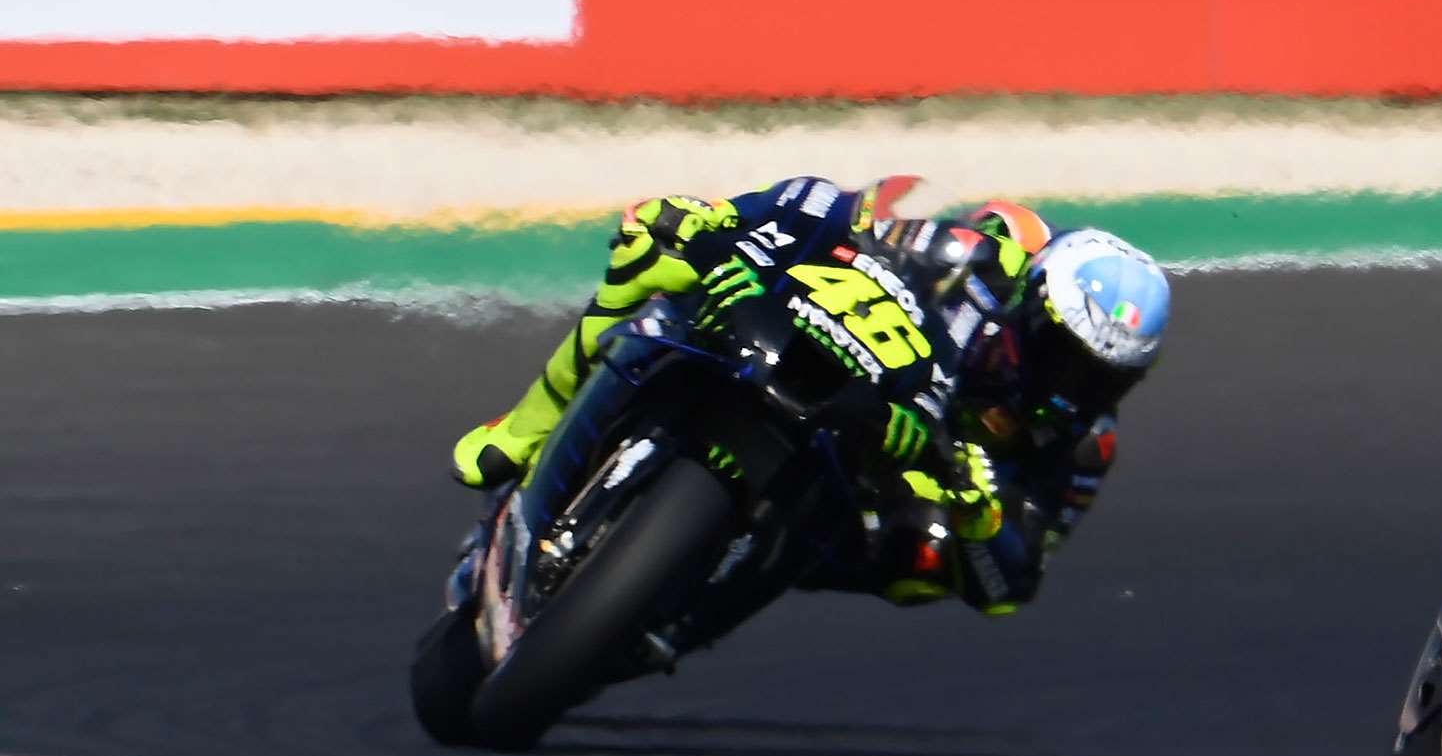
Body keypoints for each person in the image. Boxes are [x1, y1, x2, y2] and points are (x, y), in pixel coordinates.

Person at [451, 177, 1170, 616]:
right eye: (1062, 355)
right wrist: (729, 224)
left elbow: (1010, 584)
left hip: (873, 481)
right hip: (828, 348)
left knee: (921, 559)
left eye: (1100, 377)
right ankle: (525, 428)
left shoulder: (1080, 442)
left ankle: (689, 596)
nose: (1073, 384)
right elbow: (850, 215)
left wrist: (981, 516)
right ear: (1031, 306)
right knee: (653, 265)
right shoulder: (981, 262)